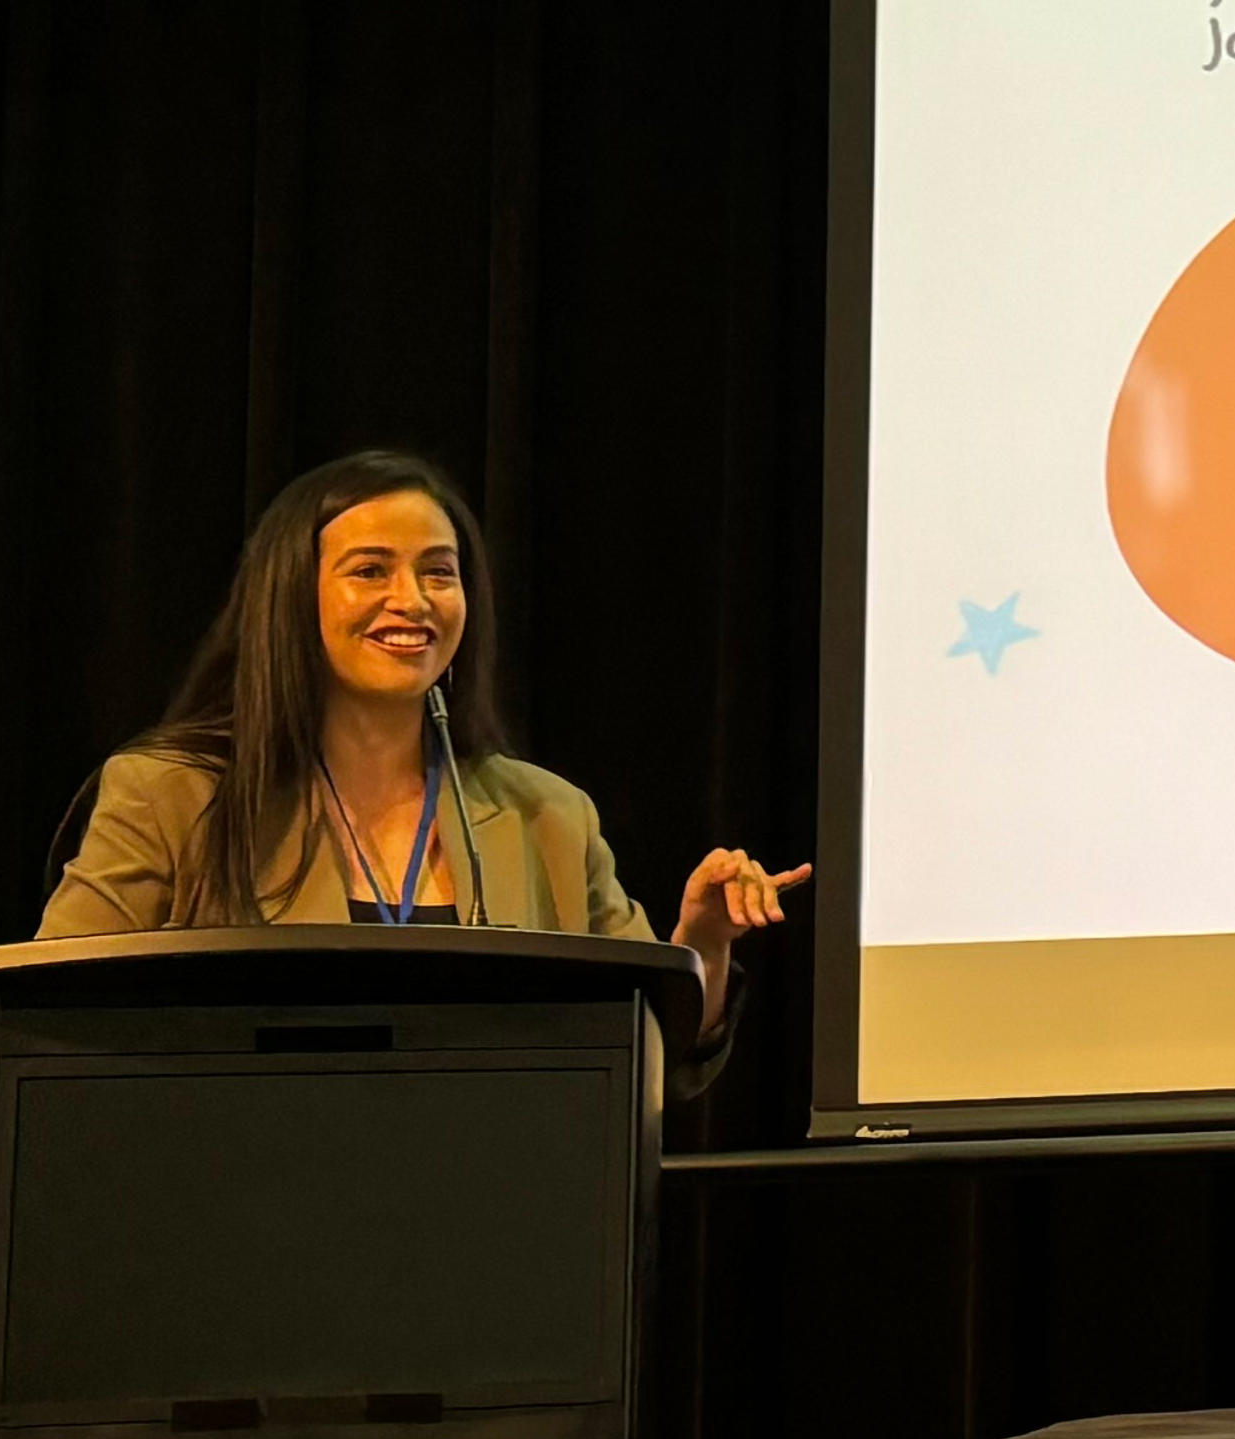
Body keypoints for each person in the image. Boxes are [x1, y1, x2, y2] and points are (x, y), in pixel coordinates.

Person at [43, 450, 798, 1060]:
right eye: (371, 570)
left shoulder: (548, 816)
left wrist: (701, 942)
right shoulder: (169, 794)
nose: (413, 599)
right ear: (290, 596)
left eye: (439, 571)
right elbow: (50, 1020)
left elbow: (654, 1054)